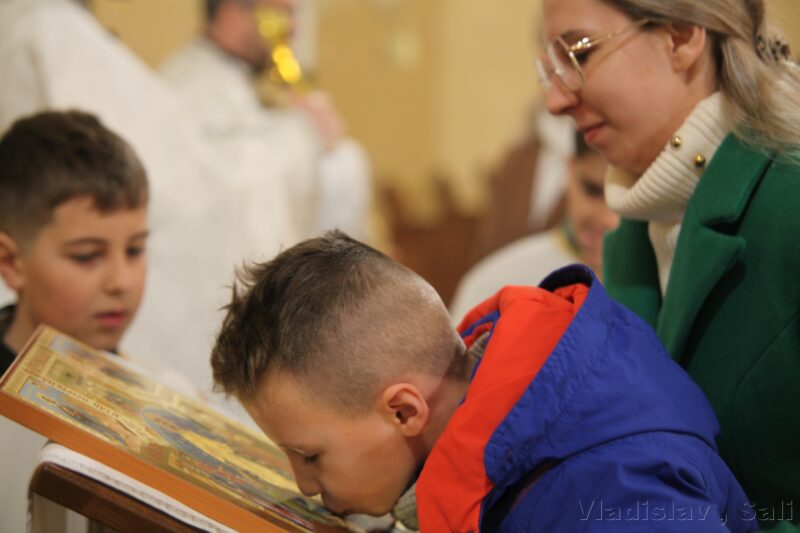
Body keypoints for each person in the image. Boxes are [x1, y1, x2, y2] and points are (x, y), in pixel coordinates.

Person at [210, 230, 756, 532]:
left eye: (310, 456)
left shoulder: (612, 489)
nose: (304, 484)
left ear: (404, 411)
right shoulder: (511, 429)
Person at [538, 1, 800, 528]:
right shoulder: (634, 236)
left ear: (681, 36)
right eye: (551, 67)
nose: (556, 100)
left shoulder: (789, 205)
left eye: (578, 54)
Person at [0, 110, 149, 532]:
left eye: (135, 250)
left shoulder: (156, 390)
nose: (121, 282)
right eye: (87, 256)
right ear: (11, 262)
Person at [161, 0, 373, 242]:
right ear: (233, 13)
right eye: (282, 13)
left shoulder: (234, 79)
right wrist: (309, 134)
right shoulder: (194, 88)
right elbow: (231, 191)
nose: (295, 27)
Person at [450, 130, 618, 320]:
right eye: (592, 190)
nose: (609, 219)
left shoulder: (648, 282)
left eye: (625, 198)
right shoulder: (495, 287)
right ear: (569, 170)